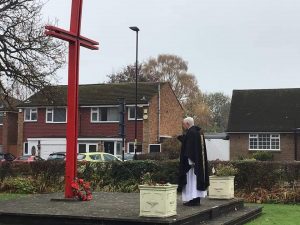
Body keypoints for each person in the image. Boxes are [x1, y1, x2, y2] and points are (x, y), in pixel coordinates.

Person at [177, 117, 209, 206]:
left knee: (192, 181)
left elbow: (190, 149)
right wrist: (182, 139)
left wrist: (189, 162)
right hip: (198, 164)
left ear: (187, 124)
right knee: (196, 181)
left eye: (183, 124)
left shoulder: (191, 133)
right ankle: (196, 199)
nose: (183, 126)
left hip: (192, 165)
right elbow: (193, 145)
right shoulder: (198, 132)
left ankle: (193, 199)